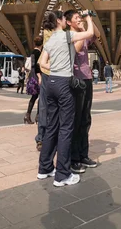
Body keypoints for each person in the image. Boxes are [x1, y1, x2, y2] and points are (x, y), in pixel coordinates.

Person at [38, 10, 94, 187]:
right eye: (63, 18)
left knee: (52, 126)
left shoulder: (50, 40)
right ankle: (62, 174)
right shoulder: (65, 35)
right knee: (66, 128)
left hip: (51, 83)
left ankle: (45, 168)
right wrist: (89, 18)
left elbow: (42, 63)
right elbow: (90, 34)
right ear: (61, 21)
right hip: (63, 83)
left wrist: (55, 67)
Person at [65, 9, 99, 174]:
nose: (79, 20)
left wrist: (89, 19)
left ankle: (83, 155)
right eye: (76, 18)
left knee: (85, 118)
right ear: (69, 22)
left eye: (80, 17)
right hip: (76, 80)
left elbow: (96, 34)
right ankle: (74, 158)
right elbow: (77, 48)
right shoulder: (71, 36)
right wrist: (85, 26)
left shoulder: (84, 33)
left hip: (87, 79)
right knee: (76, 120)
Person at [25, 36, 43, 124]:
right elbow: (37, 66)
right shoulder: (38, 53)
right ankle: (38, 116)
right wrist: (40, 76)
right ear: (42, 44)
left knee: (34, 96)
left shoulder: (32, 52)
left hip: (32, 76)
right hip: (37, 76)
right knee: (41, 96)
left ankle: (27, 115)